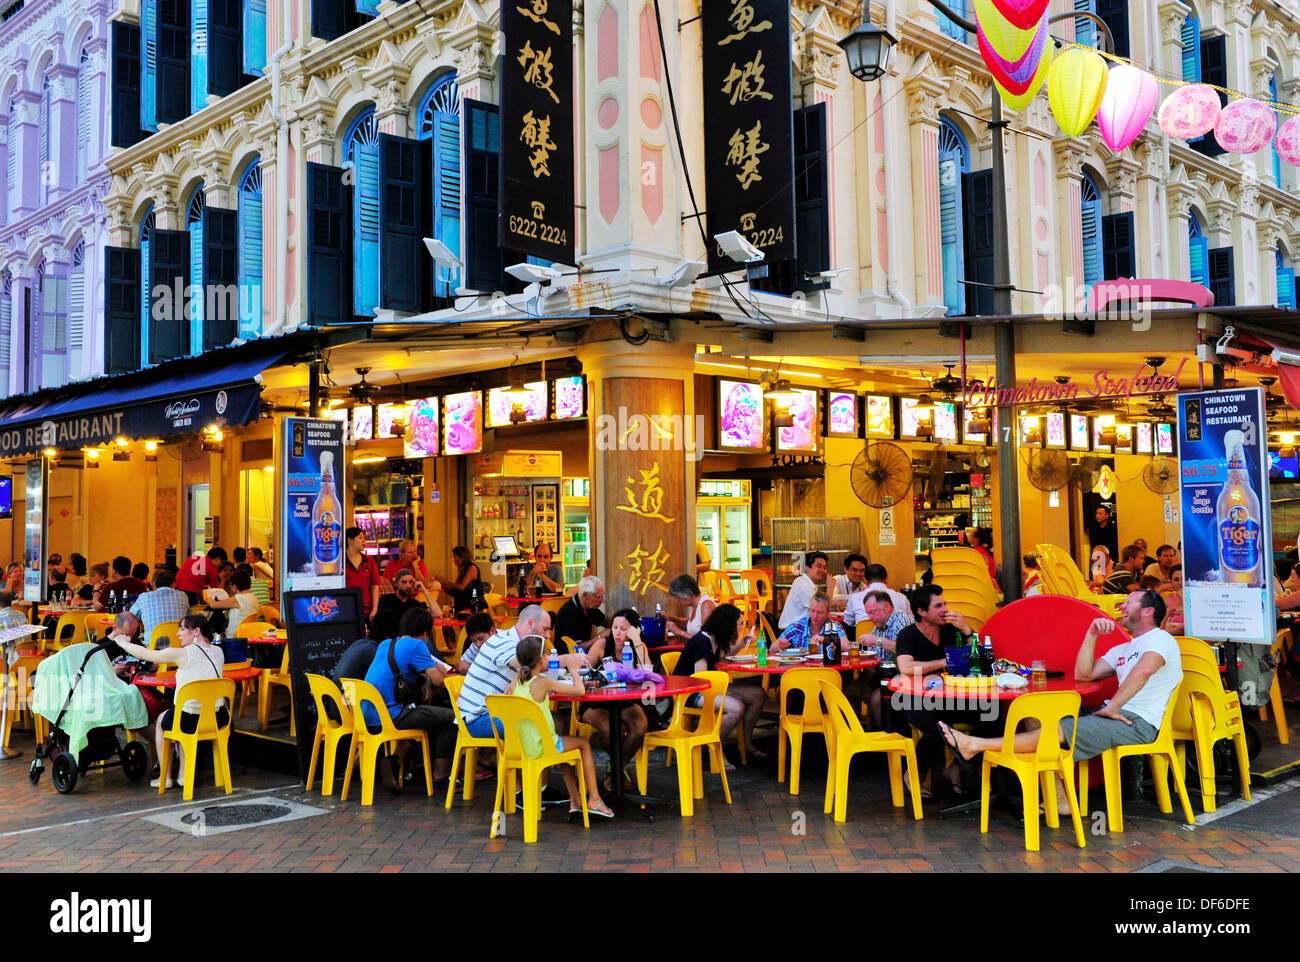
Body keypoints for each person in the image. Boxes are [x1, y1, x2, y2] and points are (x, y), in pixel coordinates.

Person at [942, 590, 1182, 816]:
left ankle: (975, 744)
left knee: (1056, 730)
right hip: (1114, 712)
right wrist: (1091, 635)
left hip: (1138, 722)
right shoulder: (1126, 647)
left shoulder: (1160, 639)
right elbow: (1084, 675)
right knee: (1036, 715)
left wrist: (1113, 706)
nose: (1123, 606)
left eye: (1129, 602)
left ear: (1148, 611)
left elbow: (1144, 671)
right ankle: (1059, 799)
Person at [116, 614, 227, 790]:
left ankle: (165, 776)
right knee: (180, 716)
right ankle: (183, 774)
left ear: (196, 631)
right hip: (218, 719)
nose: (178, 634)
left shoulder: (182, 654)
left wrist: (123, 643)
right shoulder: (219, 652)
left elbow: (146, 654)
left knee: (163, 721)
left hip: (190, 720)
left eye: (182, 629)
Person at [510, 633, 615, 818]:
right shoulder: (543, 682)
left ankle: (575, 801)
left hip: (523, 746)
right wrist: (573, 668)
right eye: (547, 655)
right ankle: (595, 799)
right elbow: (579, 690)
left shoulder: (515, 682)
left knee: (566, 744)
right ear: (542, 659)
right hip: (542, 746)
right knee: (583, 744)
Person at [895, 584, 980, 798]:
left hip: (951, 699)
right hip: (914, 700)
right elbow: (905, 667)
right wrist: (941, 662)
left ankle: (957, 769)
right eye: (938, 605)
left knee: (992, 716)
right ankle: (913, 774)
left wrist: (968, 630)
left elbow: (975, 659)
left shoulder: (950, 631)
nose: (945, 609)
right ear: (922, 612)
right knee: (938, 727)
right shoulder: (908, 635)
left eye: (945, 604)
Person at [362, 607, 457, 790]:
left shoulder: (386, 644)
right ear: (425, 632)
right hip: (391, 715)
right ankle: (441, 776)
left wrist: (425, 678)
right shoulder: (418, 645)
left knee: (421, 718)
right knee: (453, 719)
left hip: (366, 714)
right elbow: (439, 680)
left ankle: (395, 762)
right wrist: (436, 673)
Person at [674, 603, 765, 768]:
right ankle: (714, 746)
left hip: (708, 687)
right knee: (736, 707)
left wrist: (742, 641)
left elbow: (725, 656)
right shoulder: (703, 642)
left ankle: (745, 743)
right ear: (727, 625)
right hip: (690, 691)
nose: (740, 628)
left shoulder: (715, 638)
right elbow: (701, 679)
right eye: (738, 625)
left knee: (757, 694)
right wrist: (728, 693)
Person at [580, 608, 652, 782]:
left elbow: (647, 673)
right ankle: (619, 771)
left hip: (623, 701)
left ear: (635, 630)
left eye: (624, 629)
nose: (617, 633)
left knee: (640, 725)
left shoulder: (638, 647)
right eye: (615, 627)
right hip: (595, 702)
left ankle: (615, 769)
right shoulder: (602, 646)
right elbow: (583, 673)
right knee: (611, 729)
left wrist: (637, 641)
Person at [371, 569, 441, 642]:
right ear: (396, 583)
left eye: (410, 582)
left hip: (411, 640)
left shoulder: (414, 603)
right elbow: (382, 627)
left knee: (428, 635)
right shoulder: (386, 599)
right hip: (392, 641)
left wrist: (424, 591)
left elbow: (437, 613)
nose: (408, 585)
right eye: (404, 582)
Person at [128, 568, 192, 642]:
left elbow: (130, 618)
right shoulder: (183, 596)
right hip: (179, 646)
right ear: (174, 584)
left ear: (154, 584)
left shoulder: (144, 597)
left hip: (152, 648)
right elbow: (188, 617)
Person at [553, 576, 608, 653]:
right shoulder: (569, 612)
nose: (603, 601)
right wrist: (600, 636)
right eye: (599, 597)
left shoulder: (589, 607)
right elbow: (577, 648)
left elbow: (606, 622)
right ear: (585, 595)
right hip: (568, 658)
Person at [778, 551, 829, 630]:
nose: (823, 570)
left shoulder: (810, 584)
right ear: (807, 568)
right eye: (819, 566)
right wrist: (830, 588)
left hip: (800, 629)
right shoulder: (803, 584)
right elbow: (823, 607)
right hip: (790, 632)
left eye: (824, 568)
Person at [344, 527, 382, 625]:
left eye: (364, 538)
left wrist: (375, 609)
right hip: (346, 610)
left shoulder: (369, 561)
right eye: (360, 538)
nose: (364, 541)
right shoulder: (340, 562)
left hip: (367, 611)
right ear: (350, 540)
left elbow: (374, 587)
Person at [206, 571, 261, 636]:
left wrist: (207, 597)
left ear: (234, 586)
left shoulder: (239, 598)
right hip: (248, 634)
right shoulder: (253, 597)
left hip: (234, 636)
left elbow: (213, 605)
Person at [664, 574, 716, 641]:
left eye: (678, 597)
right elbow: (692, 625)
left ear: (688, 593)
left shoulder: (706, 605)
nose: (676, 601)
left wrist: (679, 632)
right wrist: (671, 618)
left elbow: (707, 640)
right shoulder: (695, 604)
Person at [434, 546, 483, 613]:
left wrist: (443, 580)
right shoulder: (462, 570)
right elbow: (455, 591)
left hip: (470, 607)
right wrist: (441, 586)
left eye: (455, 557)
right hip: (461, 606)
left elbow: (461, 587)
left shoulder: (472, 568)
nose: (453, 560)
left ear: (462, 557)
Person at [1160, 566, 1184, 634]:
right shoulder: (1168, 599)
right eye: (1176, 579)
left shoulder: (1196, 600)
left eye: (1183, 579)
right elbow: (1158, 628)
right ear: (1171, 582)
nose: (1180, 583)